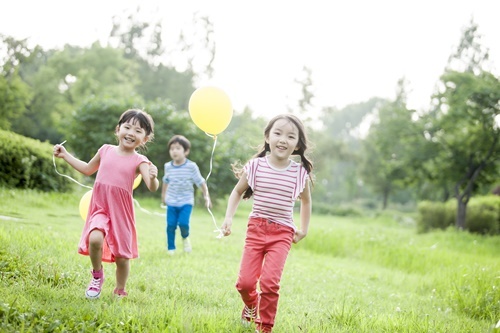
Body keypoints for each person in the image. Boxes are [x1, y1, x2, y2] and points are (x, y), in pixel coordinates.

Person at [53, 109, 159, 299]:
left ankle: (120, 289)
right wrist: (66, 155)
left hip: (121, 213)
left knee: (122, 257)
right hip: (100, 208)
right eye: (127, 127)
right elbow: (87, 169)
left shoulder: (140, 161)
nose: (131, 133)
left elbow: (152, 187)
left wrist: (153, 177)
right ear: (118, 129)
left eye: (138, 131)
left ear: (145, 139)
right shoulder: (105, 150)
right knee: (94, 239)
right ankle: (97, 275)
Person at [221, 114, 313, 333]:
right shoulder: (255, 166)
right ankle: (251, 305)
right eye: (278, 133)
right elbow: (237, 191)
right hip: (256, 229)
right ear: (267, 137)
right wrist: (228, 218)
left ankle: (265, 327)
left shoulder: (299, 173)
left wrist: (304, 230)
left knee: (270, 282)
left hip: (282, 233)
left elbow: (306, 202)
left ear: (297, 144)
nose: (283, 139)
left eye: (290, 136)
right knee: (244, 284)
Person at [161, 135, 211, 255]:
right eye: (172, 149)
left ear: (186, 151)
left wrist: (206, 196)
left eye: (178, 148)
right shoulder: (168, 166)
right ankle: (171, 248)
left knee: (183, 223)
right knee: (171, 225)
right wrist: (163, 196)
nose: (174, 151)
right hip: (171, 201)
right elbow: (165, 181)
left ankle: (185, 238)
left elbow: (201, 182)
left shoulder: (191, 166)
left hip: (186, 201)